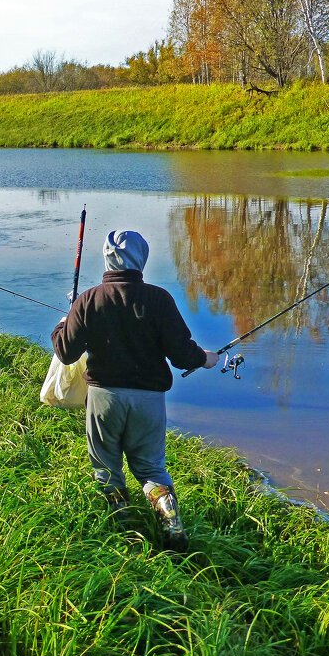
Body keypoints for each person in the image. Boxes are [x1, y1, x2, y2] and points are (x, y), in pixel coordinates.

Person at [50, 230, 219, 551]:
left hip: (104, 398)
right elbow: (182, 354)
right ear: (142, 258)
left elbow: (65, 352)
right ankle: (168, 516)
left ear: (106, 258)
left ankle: (122, 533)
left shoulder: (88, 300)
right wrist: (205, 359)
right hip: (148, 399)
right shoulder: (159, 299)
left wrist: (64, 322)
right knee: (151, 467)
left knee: (107, 468)